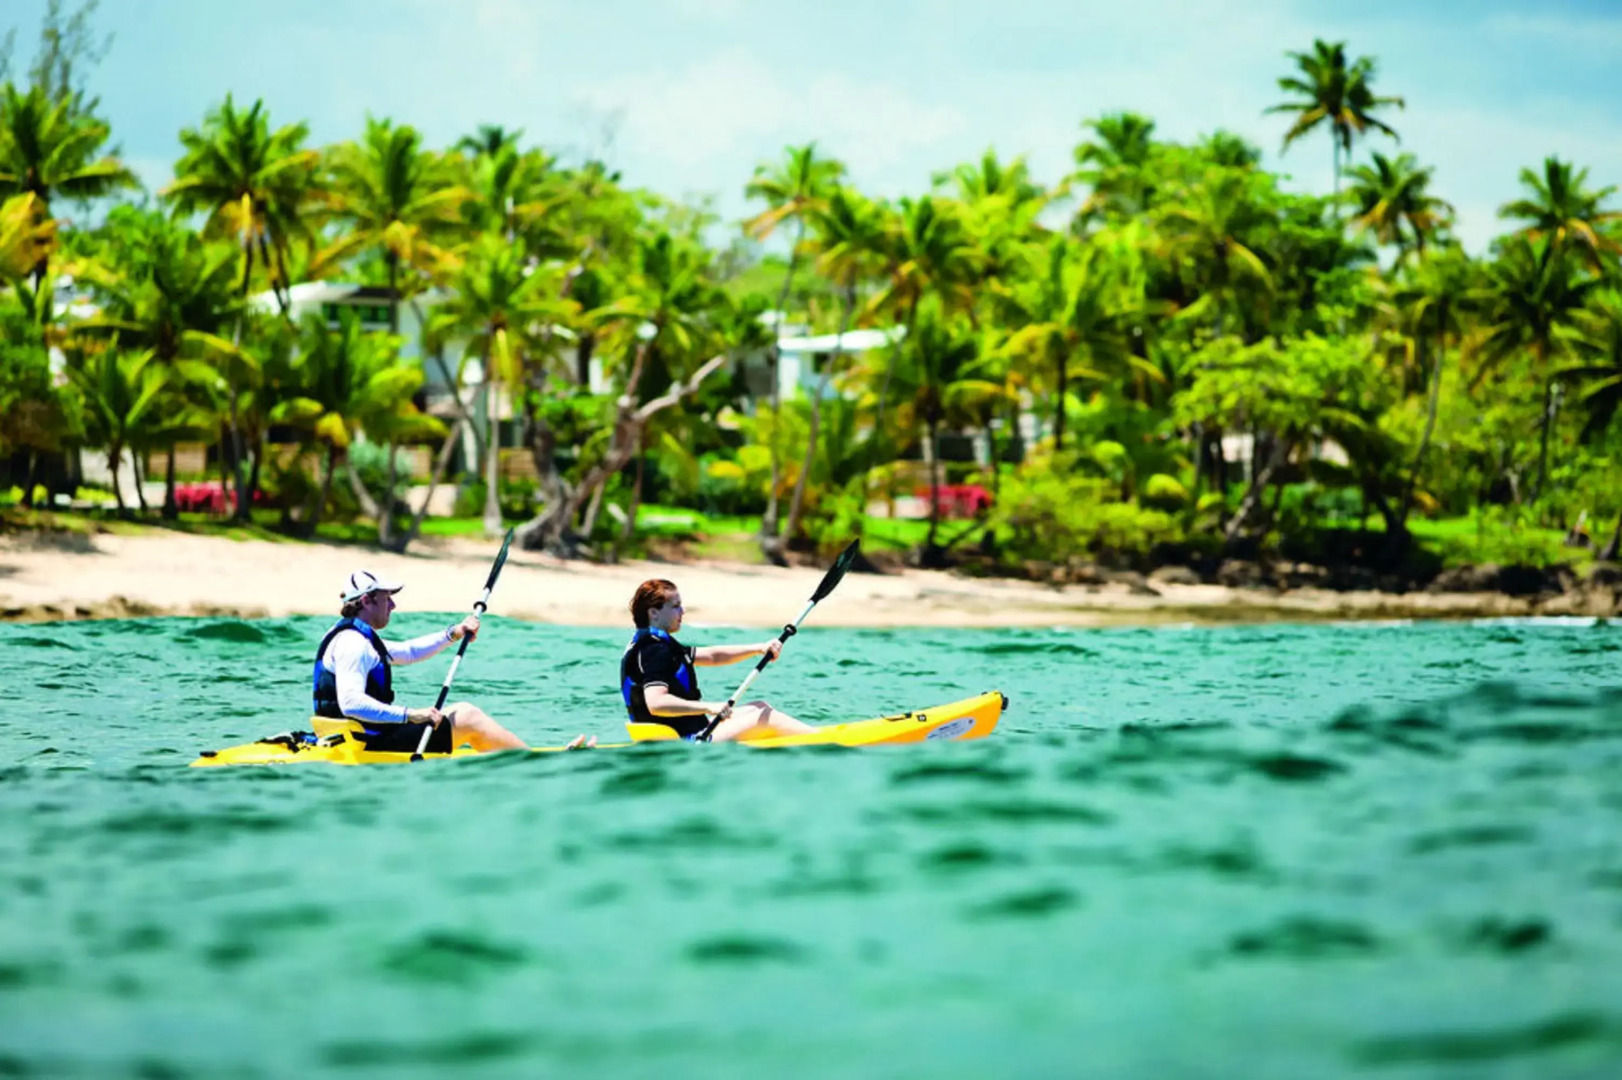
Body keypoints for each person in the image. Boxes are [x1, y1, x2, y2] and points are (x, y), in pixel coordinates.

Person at [312, 569, 540, 753]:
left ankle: (507, 752)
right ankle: (533, 765)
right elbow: (351, 703)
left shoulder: (348, 635)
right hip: (369, 741)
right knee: (467, 716)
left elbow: (408, 651)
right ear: (366, 600)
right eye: (386, 598)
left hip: (356, 735)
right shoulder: (354, 644)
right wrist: (411, 714)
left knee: (460, 717)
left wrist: (454, 633)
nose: (393, 605)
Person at [621, 578, 817, 742]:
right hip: (688, 740)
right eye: (675, 606)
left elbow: (713, 656)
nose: (682, 612)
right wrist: (710, 707)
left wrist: (759, 648)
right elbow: (656, 703)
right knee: (766, 717)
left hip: (688, 732)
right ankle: (824, 741)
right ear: (653, 613)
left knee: (760, 706)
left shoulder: (649, 643)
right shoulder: (655, 650)